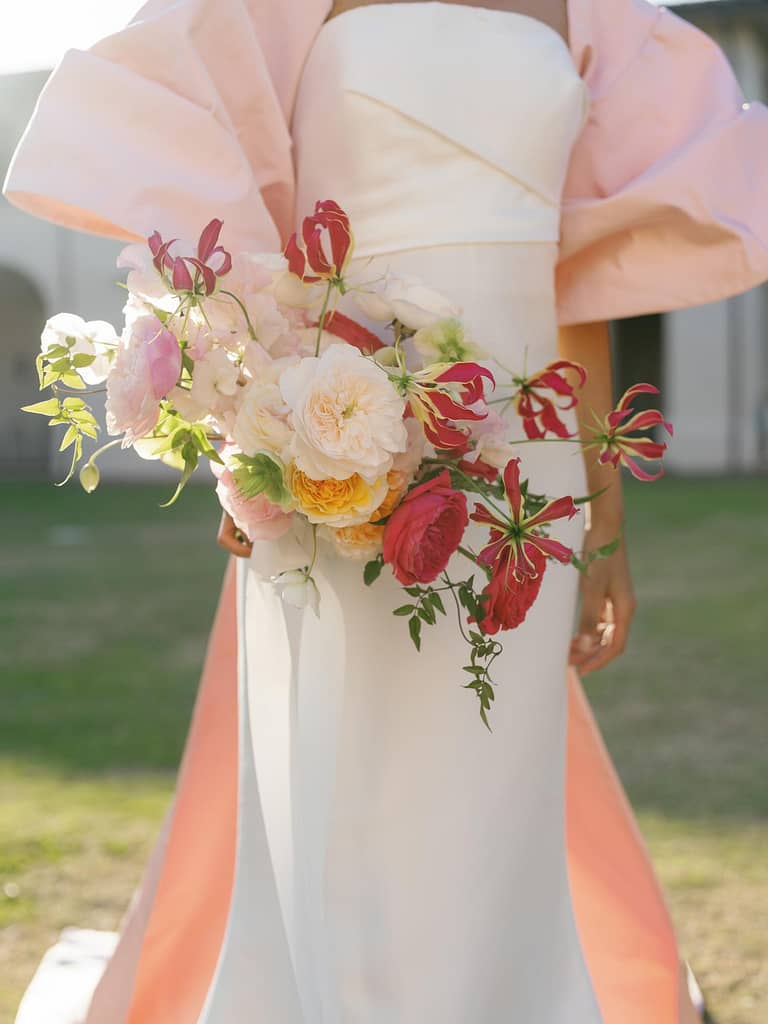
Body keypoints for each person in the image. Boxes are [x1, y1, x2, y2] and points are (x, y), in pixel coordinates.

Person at [6, 1, 768, 1021]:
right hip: (333, 425)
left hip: (521, 482)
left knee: (494, 804)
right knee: (340, 803)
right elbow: (231, 205)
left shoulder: (593, 14)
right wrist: (250, 419)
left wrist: (605, 524)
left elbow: (574, 291)